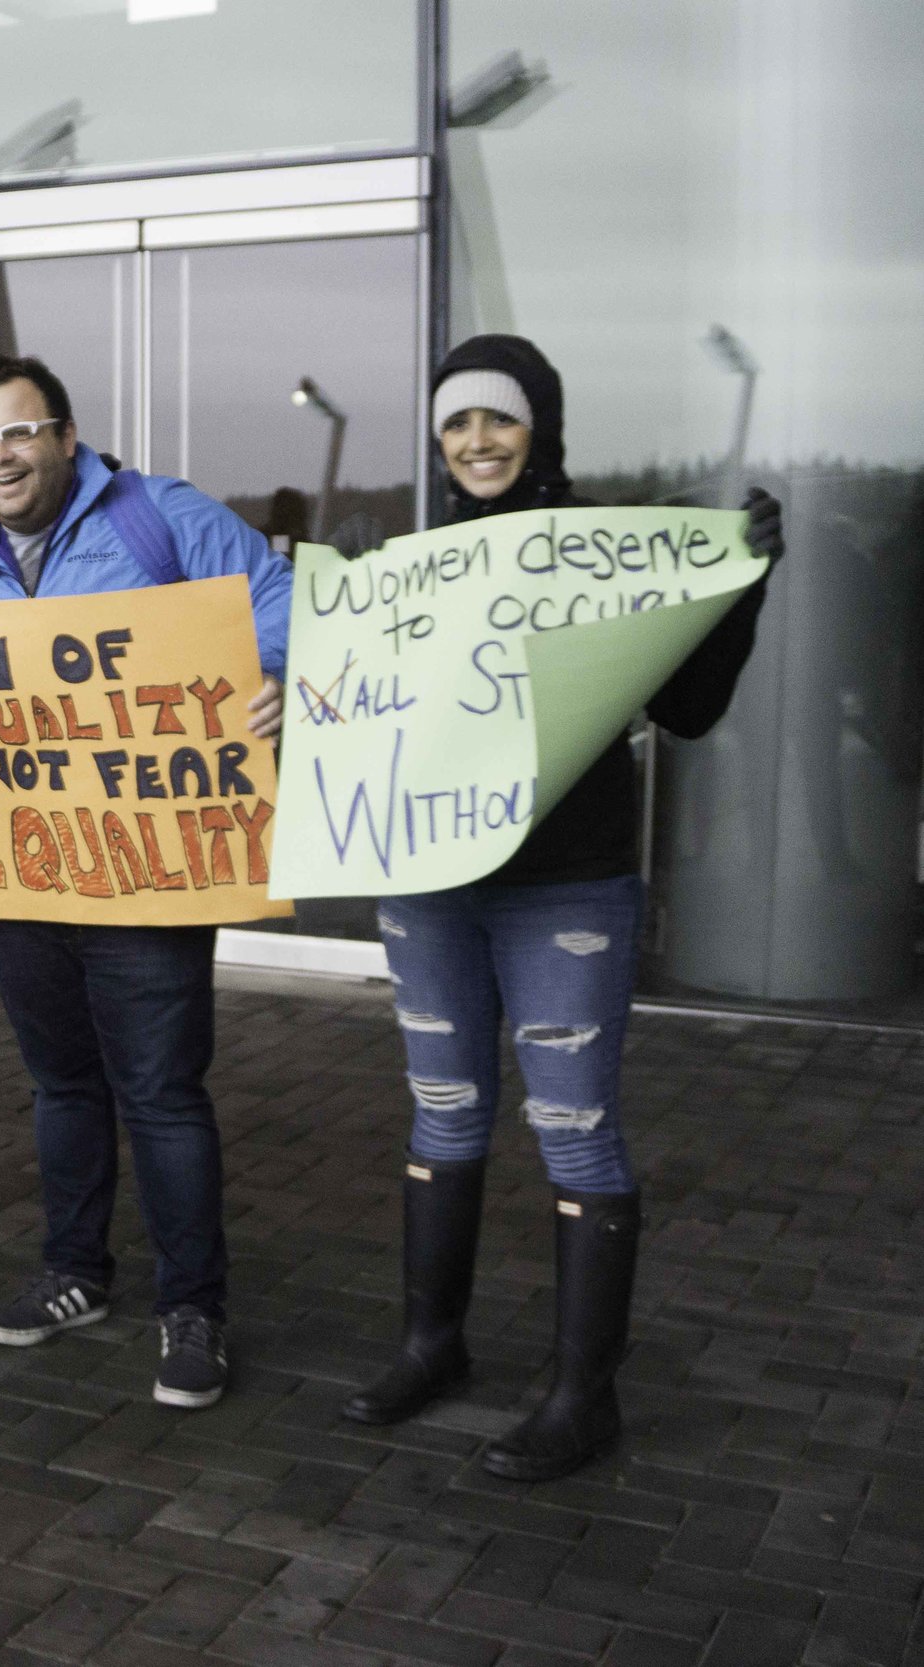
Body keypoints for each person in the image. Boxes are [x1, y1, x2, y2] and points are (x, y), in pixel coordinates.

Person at [340, 335, 783, 1481]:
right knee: (442, 1110)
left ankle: (584, 1395)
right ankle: (431, 1342)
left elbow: (685, 708)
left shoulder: (603, 553)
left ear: (539, 425)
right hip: (426, 883)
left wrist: (738, 588)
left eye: (498, 419)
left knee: (574, 1124)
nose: (476, 441)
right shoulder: (408, 563)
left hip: (565, 885)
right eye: (455, 424)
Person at [0, 352, 288, 1409]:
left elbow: (281, 603)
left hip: (151, 869)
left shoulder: (158, 517)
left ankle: (194, 1307)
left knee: (163, 1092)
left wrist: (270, 679)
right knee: (61, 1084)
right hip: (24, 867)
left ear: (64, 437)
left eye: (18, 431)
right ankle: (75, 1272)